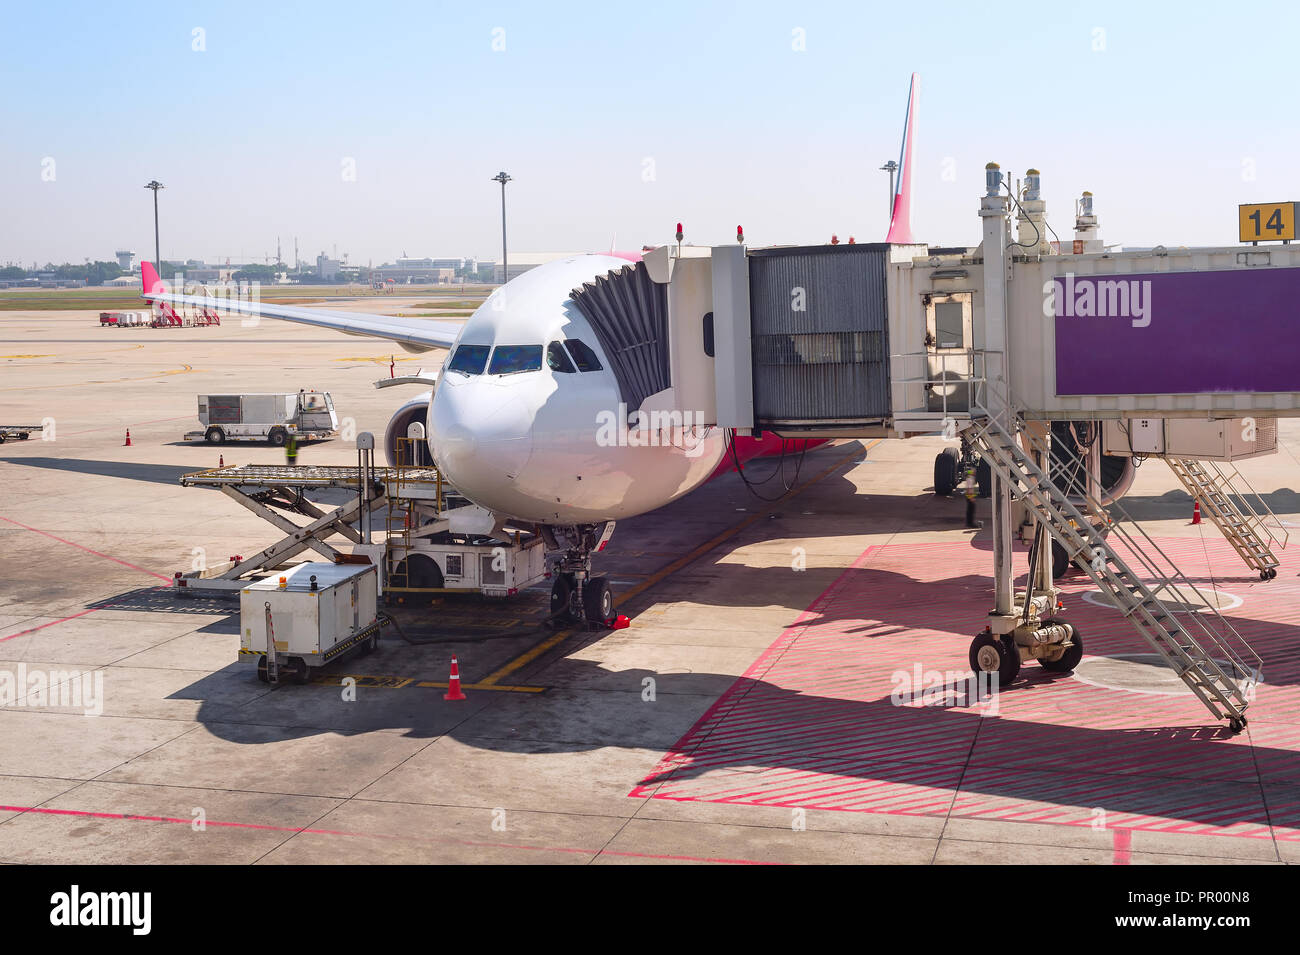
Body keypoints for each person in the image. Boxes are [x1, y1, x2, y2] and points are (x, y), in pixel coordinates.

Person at [963, 460, 981, 529]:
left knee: (969, 510)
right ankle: (970, 523)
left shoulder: (969, 477)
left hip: (969, 496)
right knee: (971, 510)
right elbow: (969, 489)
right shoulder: (970, 479)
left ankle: (969, 522)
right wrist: (971, 498)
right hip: (969, 496)